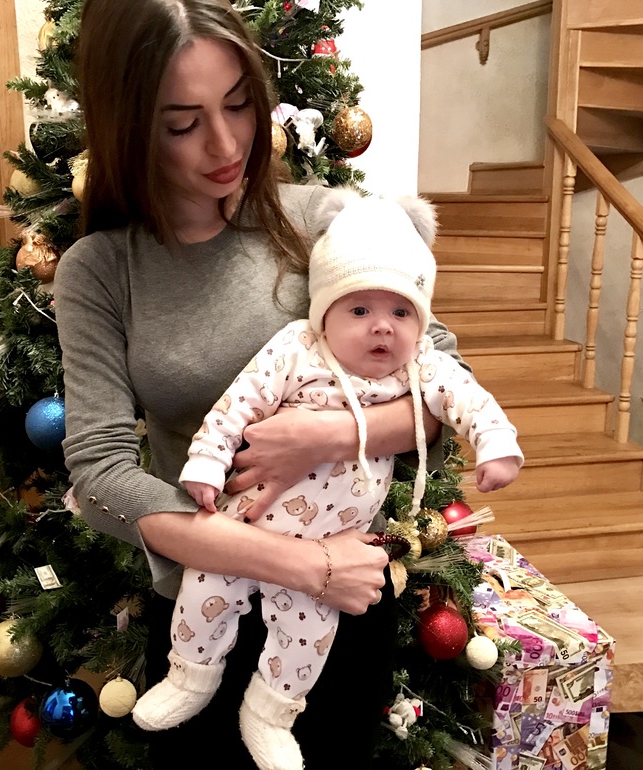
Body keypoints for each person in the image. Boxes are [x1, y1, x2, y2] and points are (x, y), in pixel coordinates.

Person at [55, 0, 469, 767]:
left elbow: (448, 383)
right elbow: (101, 472)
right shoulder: (102, 269)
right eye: (182, 123)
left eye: (239, 104)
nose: (225, 144)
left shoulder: (324, 221)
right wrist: (301, 564)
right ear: (127, 128)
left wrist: (328, 435)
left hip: (338, 610)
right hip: (206, 615)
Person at [129, 194, 523, 770]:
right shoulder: (296, 348)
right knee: (204, 596)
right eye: (359, 309)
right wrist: (208, 462)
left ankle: (269, 713)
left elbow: (470, 401)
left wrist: (496, 445)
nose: (382, 326)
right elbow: (236, 405)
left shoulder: (422, 366)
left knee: (306, 639)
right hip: (240, 526)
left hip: (332, 550)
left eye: (402, 312)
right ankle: (190, 677)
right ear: (324, 313)